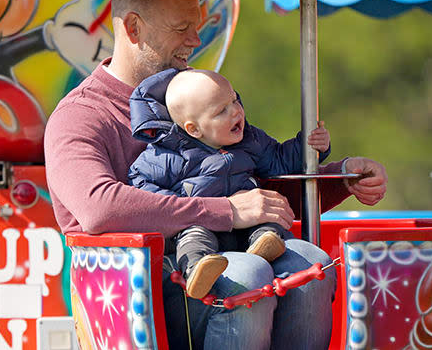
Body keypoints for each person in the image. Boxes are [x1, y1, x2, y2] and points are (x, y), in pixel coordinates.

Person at [44, 0, 388, 350]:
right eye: (182, 28)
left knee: (311, 265)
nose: (195, 40)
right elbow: (99, 208)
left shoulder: (196, 91)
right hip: (143, 297)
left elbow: (248, 187)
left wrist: (338, 178)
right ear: (133, 28)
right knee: (248, 273)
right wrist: (224, 212)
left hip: (218, 259)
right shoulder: (80, 116)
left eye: (198, 26)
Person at [128, 67, 332, 299]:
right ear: (193, 129)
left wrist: (309, 147)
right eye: (221, 111)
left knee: (267, 218)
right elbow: (141, 185)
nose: (236, 111)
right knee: (193, 236)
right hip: (202, 224)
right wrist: (183, 204)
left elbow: (279, 160)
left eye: (234, 99)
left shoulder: (250, 140)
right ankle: (197, 270)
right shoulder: (167, 155)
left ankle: (265, 246)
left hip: (248, 224)